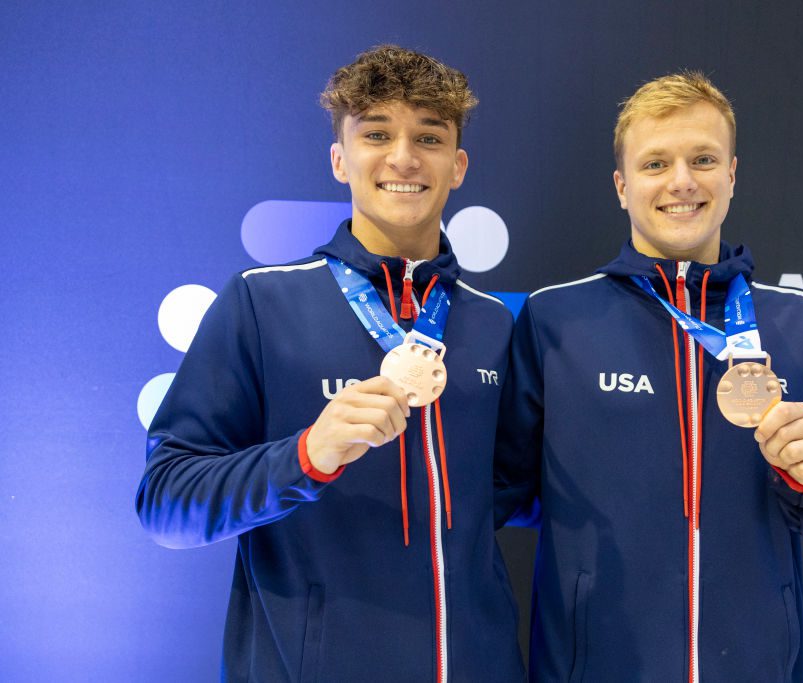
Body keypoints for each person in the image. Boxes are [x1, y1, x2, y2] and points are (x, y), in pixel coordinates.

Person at [137, 45, 524, 682]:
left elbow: (508, 492)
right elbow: (166, 502)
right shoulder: (261, 302)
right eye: (377, 134)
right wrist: (307, 454)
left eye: (428, 137)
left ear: (457, 166)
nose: (403, 157)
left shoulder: (491, 322)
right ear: (340, 159)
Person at [495, 71, 803, 682]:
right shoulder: (556, 318)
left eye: (702, 159)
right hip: (596, 667)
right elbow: (499, 491)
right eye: (655, 164)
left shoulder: (800, 323)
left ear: (732, 175)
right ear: (621, 185)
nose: (682, 182)